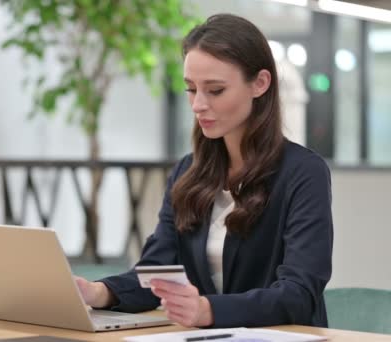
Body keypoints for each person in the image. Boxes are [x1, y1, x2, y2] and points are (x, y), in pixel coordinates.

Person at [75, 13, 333, 328]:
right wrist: (97, 292)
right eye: (191, 89)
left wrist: (206, 310)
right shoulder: (189, 171)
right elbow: (157, 273)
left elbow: (299, 295)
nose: (197, 104)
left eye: (215, 90)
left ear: (260, 84)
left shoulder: (303, 173)